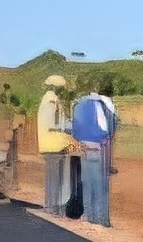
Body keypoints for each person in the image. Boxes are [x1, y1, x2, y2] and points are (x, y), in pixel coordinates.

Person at [71, 86, 119, 226]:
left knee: (88, 184)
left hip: (84, 148)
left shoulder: (79, 104)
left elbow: (74, 129)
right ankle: (101, 219)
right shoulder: (103, 103)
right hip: (99, 148)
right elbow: (108, 127)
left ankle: (88, 216)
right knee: (100, 186)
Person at [36, 75, 75, 215]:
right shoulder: (51, 102)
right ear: (56, 87)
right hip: (54, 145)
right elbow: (53, 124)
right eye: (61, 88)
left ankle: (52, 207)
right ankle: (52, 208)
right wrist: (69, 126)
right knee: (55, 179)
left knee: (54, 179)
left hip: (52, 144)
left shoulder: (50, 101)